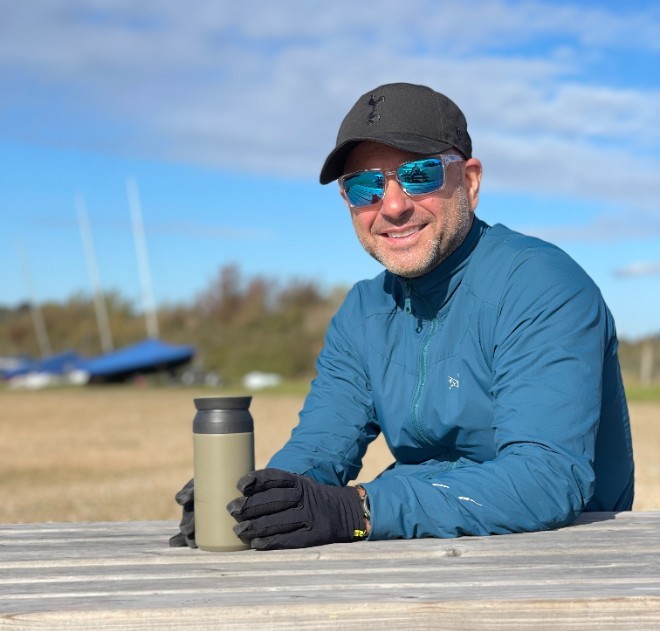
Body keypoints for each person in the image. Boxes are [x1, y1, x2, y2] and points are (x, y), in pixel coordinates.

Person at [171, 81, 634, 555]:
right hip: (428, 554)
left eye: (419, 174)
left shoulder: (539, 284)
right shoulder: (363, 312)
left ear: (470, 181)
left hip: (558, 556)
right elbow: (320, 448)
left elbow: (546, 480)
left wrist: (357, 511)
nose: (393, 207)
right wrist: (256, 500)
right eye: (365, 186)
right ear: (348, 202)